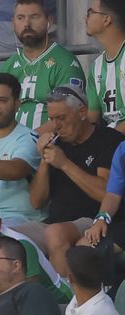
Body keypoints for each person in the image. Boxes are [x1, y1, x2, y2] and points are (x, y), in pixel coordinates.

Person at [34, 85, 120, 278]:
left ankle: (69, 302)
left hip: (91, 220)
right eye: (52, 119)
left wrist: (64, 163)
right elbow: (37, 202)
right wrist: (44, 161)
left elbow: (107, 193)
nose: (55, 126)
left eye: (61, 118)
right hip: (52, 223)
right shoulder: (57, 143)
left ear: (82, 113)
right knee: (7, 239)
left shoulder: (108, 139)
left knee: (56, 234)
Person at [2, 0, 85, 132]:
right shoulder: (8, 66)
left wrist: (27, 141)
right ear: (13, 23)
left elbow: (68, 115)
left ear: (49, 21)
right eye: (20, 18)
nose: (27, 24)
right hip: (11, 146)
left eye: (34, 17)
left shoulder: (64, 62)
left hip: (51, 145)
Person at [87, 0, 125, 135]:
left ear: (106, 19)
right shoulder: (96, 66)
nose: (86, 17)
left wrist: (108, 141)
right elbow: (92, 118)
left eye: (91, 11)